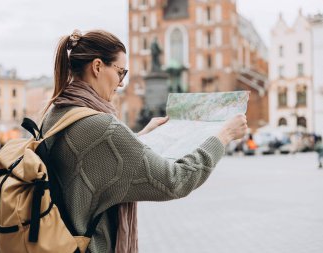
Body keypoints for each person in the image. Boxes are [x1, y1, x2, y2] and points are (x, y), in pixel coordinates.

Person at [40, 29, 248, 253]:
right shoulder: (104, 128)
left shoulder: (57, 113)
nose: (121, 83)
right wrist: (223, 135)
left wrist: (138, 138)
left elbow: (92, 161)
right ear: (98, 67)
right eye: (121, 72)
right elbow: (175, 180)